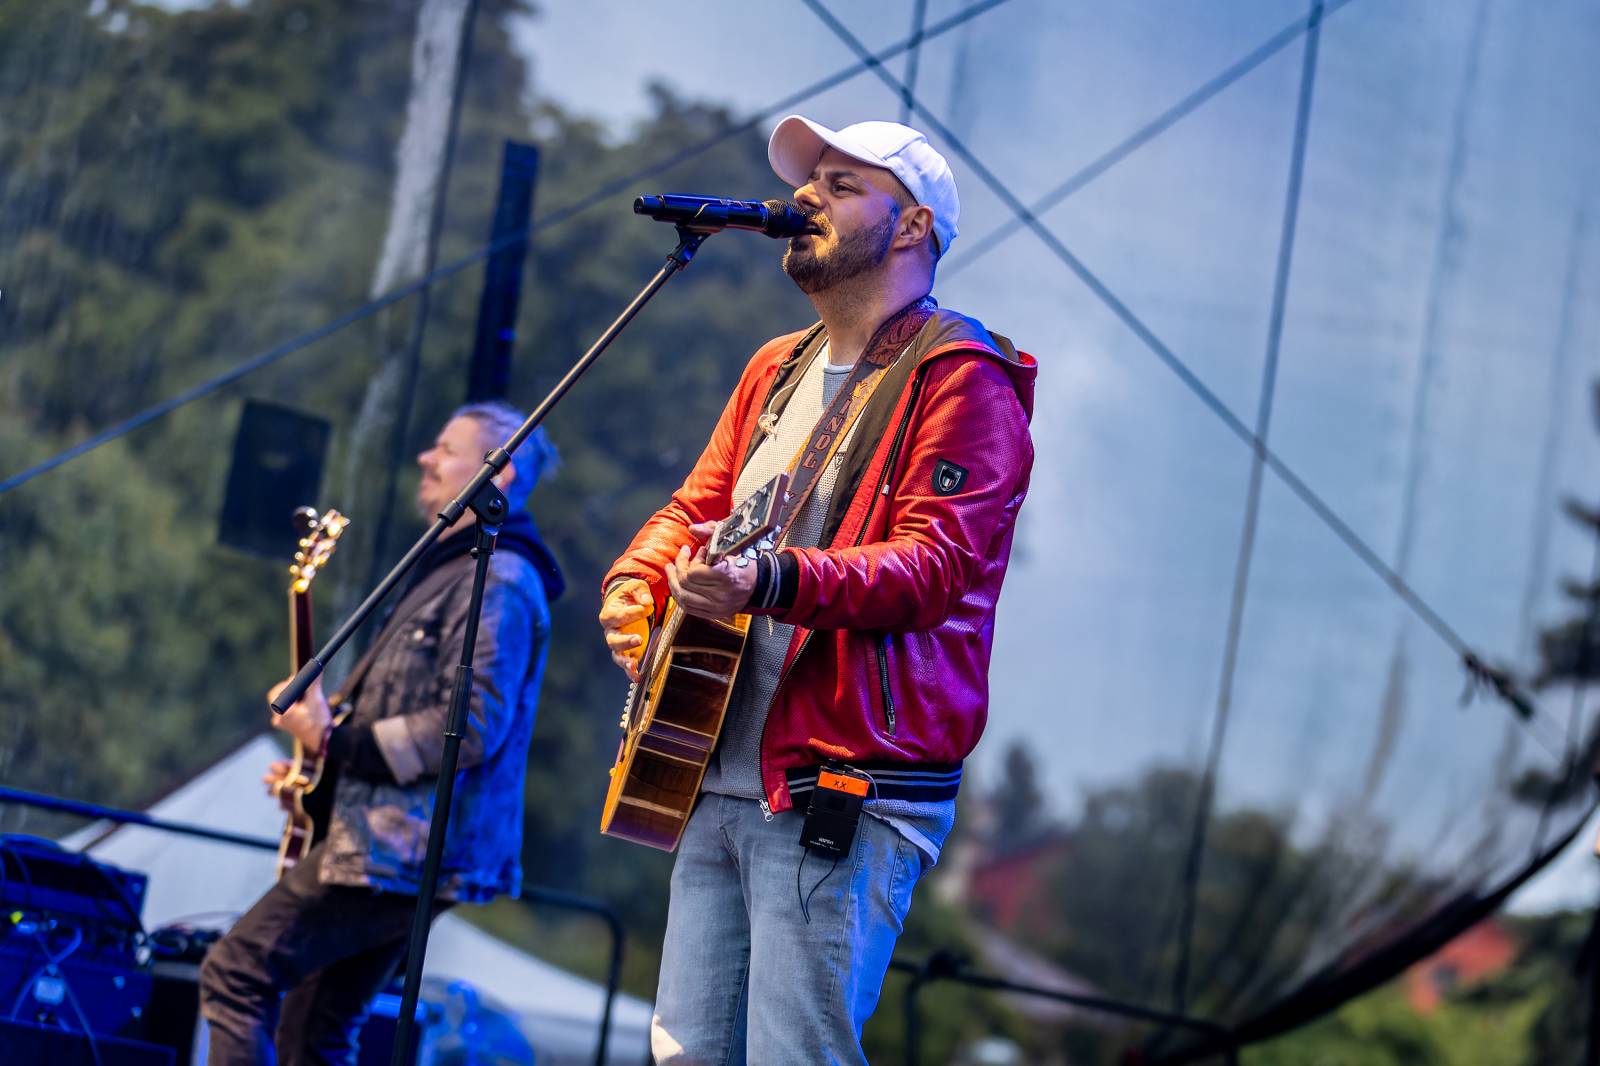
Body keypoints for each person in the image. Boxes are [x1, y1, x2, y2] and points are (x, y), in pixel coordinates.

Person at [598, 116, 1036, 1063]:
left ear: (912, 226)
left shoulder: (965, 378)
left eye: (842, 185)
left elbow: (934, 568)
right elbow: (696, 506)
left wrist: (766, 576)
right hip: (714, 766)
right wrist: (638, 581)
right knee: (684, 1054)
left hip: (843, 781)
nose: (807, 198)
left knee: (795, 1053)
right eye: (810, 182)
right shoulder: (776, 366)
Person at [200, 402, 563, 1065]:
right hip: (389, 846)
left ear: (499, 474)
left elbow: (472, 724)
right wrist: (322, 774)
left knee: (236, 973)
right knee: (314, 1032)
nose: (427, 458)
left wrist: (336, 743)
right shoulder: (454, 567)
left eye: (447, 449)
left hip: (399, 853)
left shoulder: (504, 577)